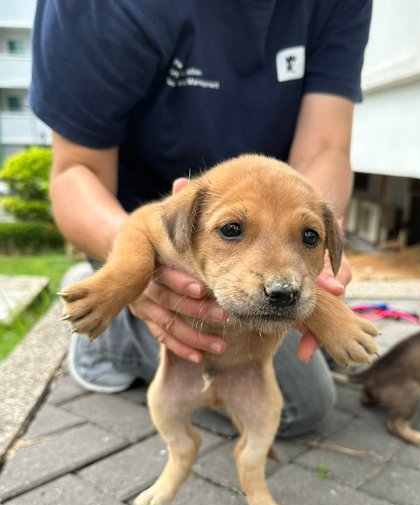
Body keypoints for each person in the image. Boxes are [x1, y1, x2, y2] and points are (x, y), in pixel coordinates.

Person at [30, 0, 372, 437]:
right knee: (303, 407)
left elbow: (325, 148)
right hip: (144, 229)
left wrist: (314, 260)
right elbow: (76, 171)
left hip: (267, 233)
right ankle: (110, 338)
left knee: (307, 342)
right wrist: (134, 274)